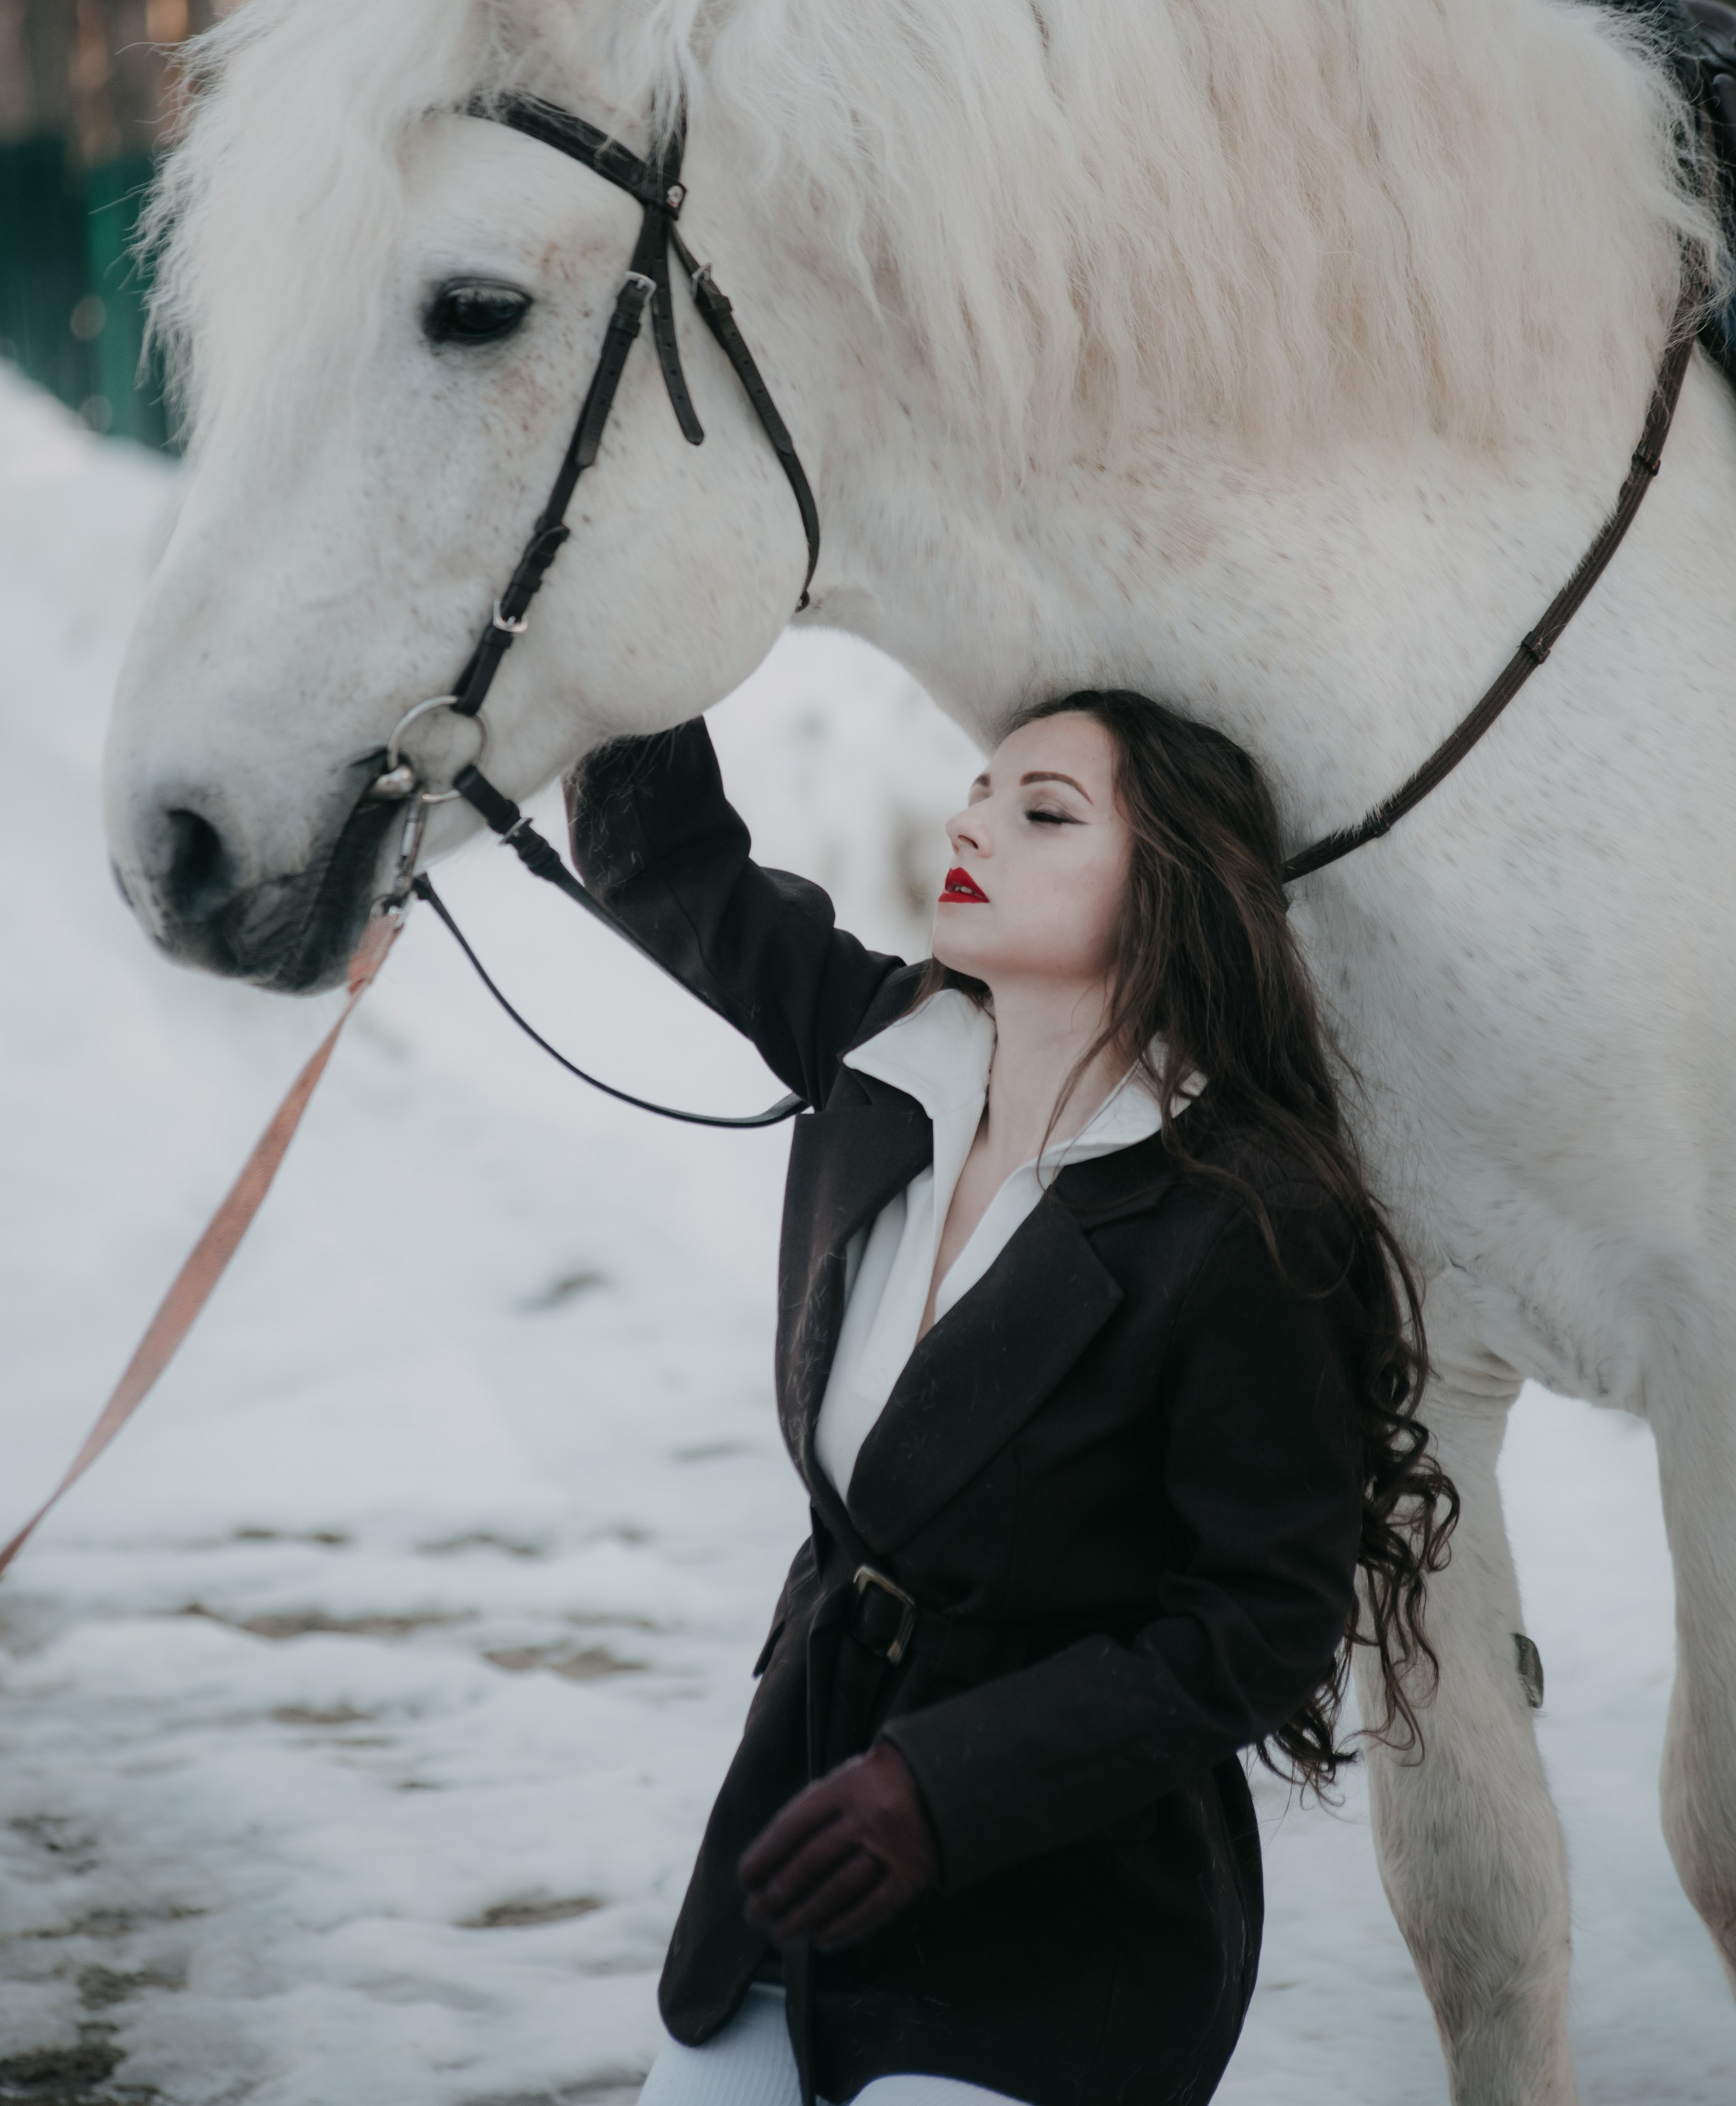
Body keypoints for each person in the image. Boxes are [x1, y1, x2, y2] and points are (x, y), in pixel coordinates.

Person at [565, 688, 1456, 2106]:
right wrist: (619, 629)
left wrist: (943, 1785)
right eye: (979, 788)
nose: (972, 818)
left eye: (1042, 810)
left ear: (1168, 887)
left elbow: (1262, 1623)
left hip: (1068, 1914)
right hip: (791, 1841)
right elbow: (656, 860)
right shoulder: (880, 1046)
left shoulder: (1248, 1218)